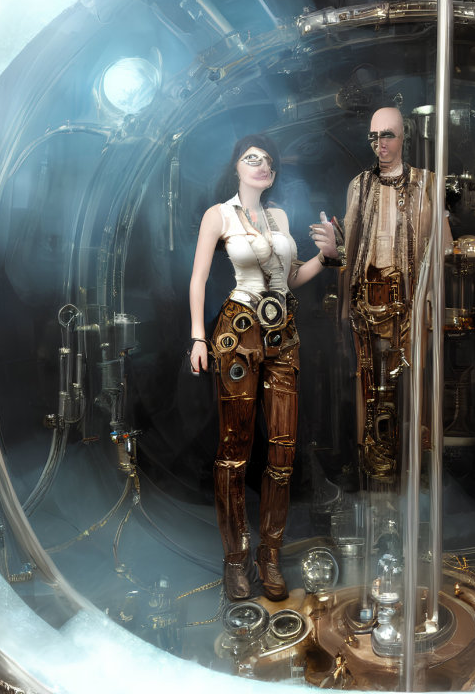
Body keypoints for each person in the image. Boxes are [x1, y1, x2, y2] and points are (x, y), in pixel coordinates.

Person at [188, 133, 330, 602]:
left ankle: (269, 555)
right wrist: (196, 336)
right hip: (238, 332)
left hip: (283, 333)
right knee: (235, 449)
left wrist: (326, 259)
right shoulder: (219, 214)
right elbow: (200, 277)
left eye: (268, 160)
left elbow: (291, 281)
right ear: (236, 166)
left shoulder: (279, 217)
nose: (262, 166)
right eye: (252, 158)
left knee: (284, 450)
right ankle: (235, 561)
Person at [312, 105, 448, 484]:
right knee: (369, 389)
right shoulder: (360, 185)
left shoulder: (427, 183)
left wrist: (432, 307)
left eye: (387, 135)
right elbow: (349, 250)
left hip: (411, 304)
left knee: (413, 389)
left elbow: (443, 250)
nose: (380, 144)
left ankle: (416, 478)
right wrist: (342, 309)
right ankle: (374, 476)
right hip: (367, 303)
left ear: (404, 136)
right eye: (374, 136)